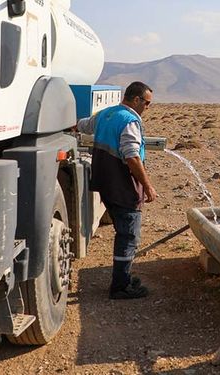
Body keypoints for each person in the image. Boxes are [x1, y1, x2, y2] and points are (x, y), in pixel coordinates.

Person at [76, 81, 157, 299]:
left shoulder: (106, 114)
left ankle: (124, 278)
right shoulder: (130, 121)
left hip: (105, 184)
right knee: (128, 235)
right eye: (147, 103)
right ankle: (120, 286)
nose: (147, 108)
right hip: (123, 186)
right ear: (137, 99)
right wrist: (147, 185)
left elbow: (82, 125)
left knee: (124, 232)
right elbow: (131, 156)